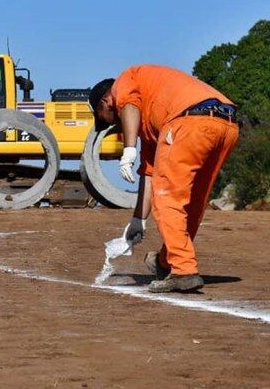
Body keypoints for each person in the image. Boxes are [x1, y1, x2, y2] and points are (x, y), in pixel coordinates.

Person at [89, 65, 238, 293]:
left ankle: (183, 270)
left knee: (167, 198)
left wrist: (128, 151)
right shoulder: (151, 126)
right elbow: (149, 173)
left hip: (189, 121)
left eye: (109, 120)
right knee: (191, 202)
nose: (115, 125)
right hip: (225, 124)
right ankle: (166, 262)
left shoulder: (125, 81)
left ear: (107, 102)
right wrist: (138, 219)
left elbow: (128, 105)